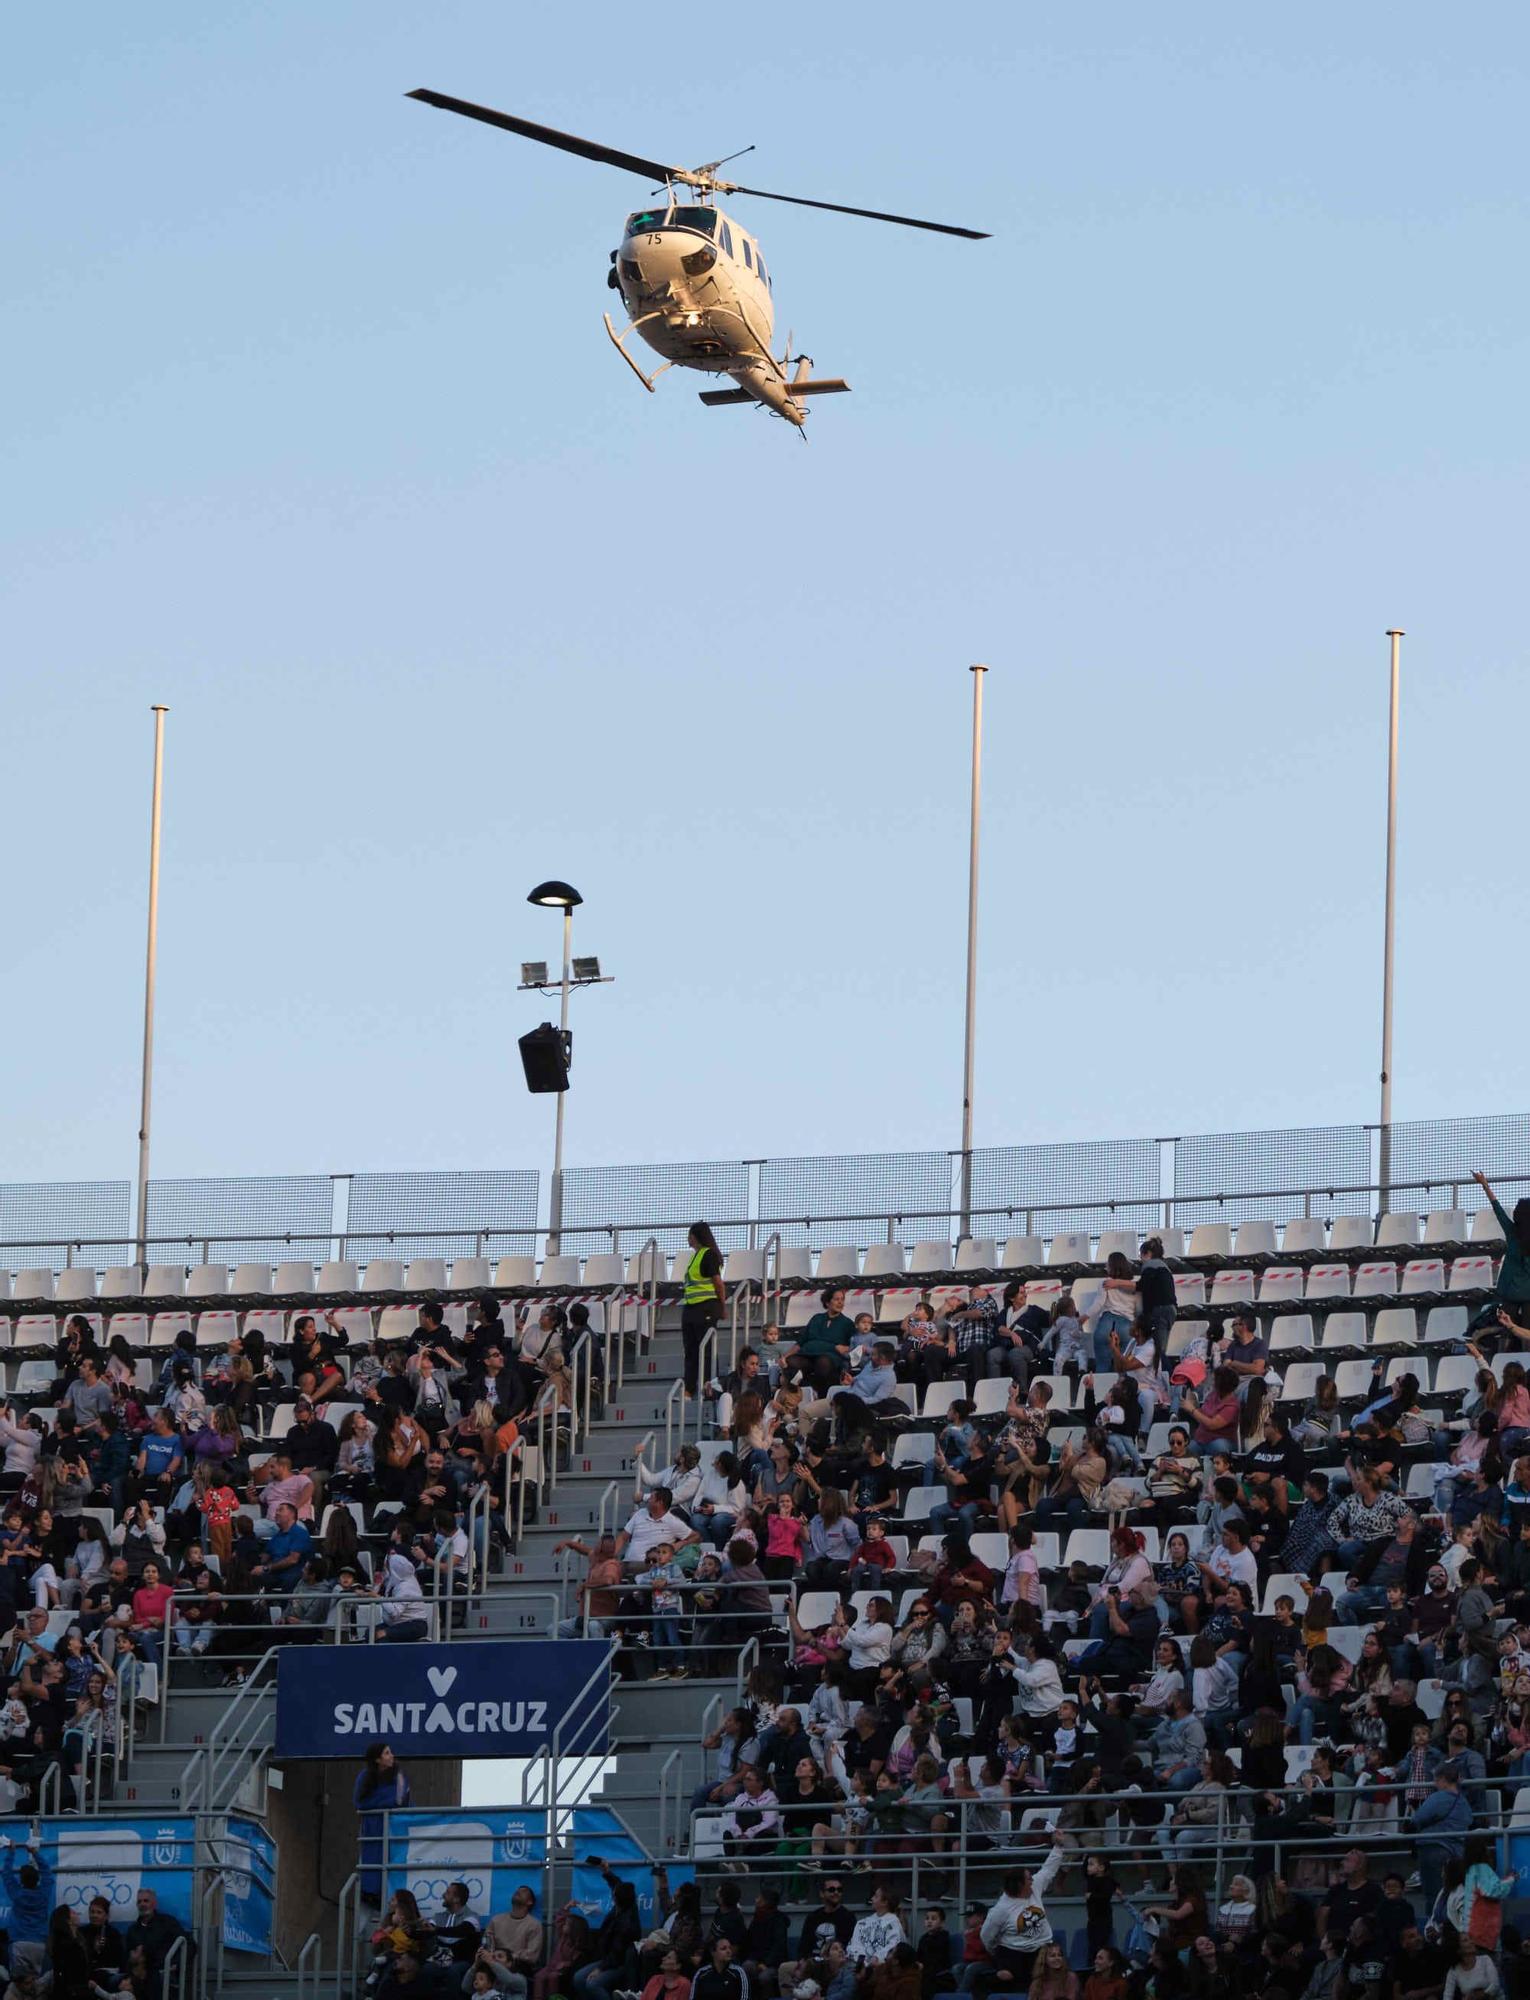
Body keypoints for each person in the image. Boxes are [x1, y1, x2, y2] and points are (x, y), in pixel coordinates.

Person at [977, 1841, 1066, 1995]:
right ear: (1020, 1884)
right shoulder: (1001, 1909)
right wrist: (999, 1954)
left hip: (1042, 1947)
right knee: (1006, 1978)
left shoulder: (1035, 1887)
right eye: (1029, 1879)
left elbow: (1048, 1869)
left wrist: (1058, 1846)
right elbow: (986, 1936)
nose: (1033, 1881)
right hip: (1013, 1951)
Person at [354, 1742, 412, 1902]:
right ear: (377, 1759)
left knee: (394, 1859)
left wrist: (378, 1801)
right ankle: (370, 1893)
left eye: (390, 1752)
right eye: (387, 1753)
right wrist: (383, 1802)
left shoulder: (399, 1776)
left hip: (394, 1826)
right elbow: (360, 1802)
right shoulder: (365, 1777)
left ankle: (389, 1895)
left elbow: (399, 1801)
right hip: (373, 1827)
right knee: (372, 1858)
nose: (391, 1755)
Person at [681, 1225, 727, 1400]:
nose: (688, 1238)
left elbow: (718, 1283)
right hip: (691, 1307)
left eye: (689, 1235)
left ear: (695, 1236)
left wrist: (722, 1307)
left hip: (706, 1307)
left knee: (706, 1350)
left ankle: (709, 1386)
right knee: (691, 1350)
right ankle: (689, 1388)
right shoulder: (695, 1256)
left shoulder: (709, 1254)